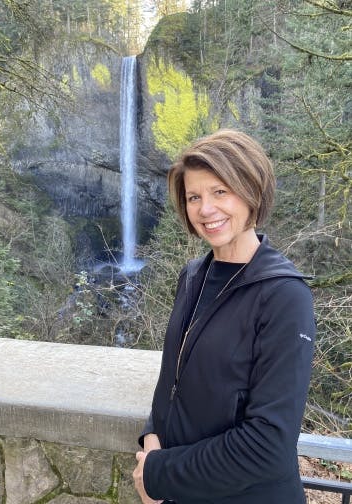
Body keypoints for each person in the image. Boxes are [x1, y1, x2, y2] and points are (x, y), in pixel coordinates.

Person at [133, 129, 316, 504]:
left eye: (220, 192)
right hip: (188, 492)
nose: (205, 209)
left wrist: (157, 474)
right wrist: (152, 435)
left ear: (252, 192)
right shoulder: (191, 277)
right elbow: (174, 377)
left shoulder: (284, 297)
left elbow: (268, 445)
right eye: (194, 197)